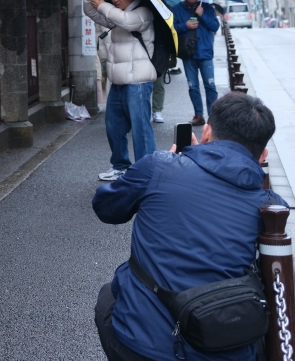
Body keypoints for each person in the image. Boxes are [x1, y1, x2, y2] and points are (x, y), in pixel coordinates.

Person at [93, 92, 284, 361]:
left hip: (141, 346)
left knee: (107, 298)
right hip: (226, 346)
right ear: (262, 154)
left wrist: (171, 164)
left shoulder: (158, 167)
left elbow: (106, 208)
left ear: (206, 133)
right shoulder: (271, 205)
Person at [85, 0, 157, 182]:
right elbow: (91, 12)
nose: (115, 0)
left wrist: (104, 5)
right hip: (117, 81)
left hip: (139, 81)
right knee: (114, 126)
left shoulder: (143, 13)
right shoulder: (114, 14)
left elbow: (126, 20)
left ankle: (146, 169)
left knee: (141, 127)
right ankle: (120, 166)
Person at [171, 0, 220, 126]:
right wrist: (185, 25)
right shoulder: (177, 9)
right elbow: (172, 28)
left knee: (210, 85)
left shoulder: (207, 8)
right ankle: (198, 114)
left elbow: (215, 26)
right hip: (187, 53)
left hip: (205, 52)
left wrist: (202, 15)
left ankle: (212, 116)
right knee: (193, 86)